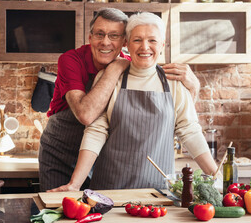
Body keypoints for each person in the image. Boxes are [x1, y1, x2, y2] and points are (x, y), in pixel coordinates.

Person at [49, 12, 217, 192]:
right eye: (137, 40)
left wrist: (216, 175)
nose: (145, 47)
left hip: (158, 190)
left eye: (152, 40)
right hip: (110, 186)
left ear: (162, 44)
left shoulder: (175, 83)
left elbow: (189, 131)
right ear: (127, 44)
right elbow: (96, 131)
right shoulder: (110, 79)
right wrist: (75, 184)